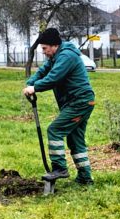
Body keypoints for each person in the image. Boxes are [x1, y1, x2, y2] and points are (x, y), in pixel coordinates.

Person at [22, 28, 95, 185]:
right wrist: (30, 83)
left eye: (44, 48)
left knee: (55, 130)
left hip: (80, 102)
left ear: (54, 45)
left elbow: (53, 78)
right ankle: (85, 178)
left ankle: (60, 168)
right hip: (77, 102)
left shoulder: (66, 56)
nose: (43, 52)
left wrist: (35, 88)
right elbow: (43, 71)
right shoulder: (56, 56)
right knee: (76, 140)